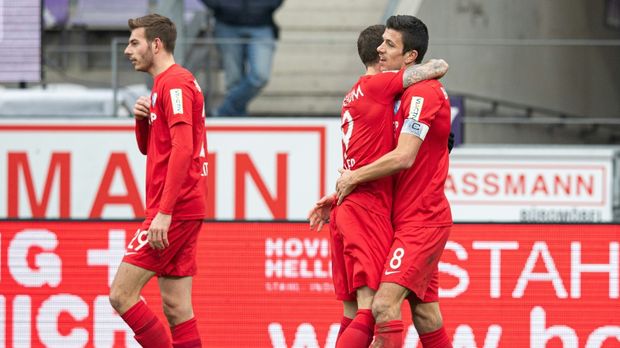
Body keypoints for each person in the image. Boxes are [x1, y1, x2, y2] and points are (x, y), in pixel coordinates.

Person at [308, 23, 448, 347]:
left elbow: (403, 156)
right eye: (381, 43)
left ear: (410, 55)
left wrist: (350, 180)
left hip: (418, 219)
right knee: (422, 315)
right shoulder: (391, 93)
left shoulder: (418, 92)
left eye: (389, 44)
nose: (381, 50)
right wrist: (347, 185)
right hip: (382, 212)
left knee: (378, 307)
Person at [109, 14, 208, 348]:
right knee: (177, 308)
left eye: (134, 43)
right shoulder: (164, 86)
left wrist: (164, 212)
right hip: (183, 205)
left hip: (174, 208)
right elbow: (151, 149)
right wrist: (143, 122)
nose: (127, 50)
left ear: (156, 44)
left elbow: (183, 149)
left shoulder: (175, 83)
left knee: (121, 295)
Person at [202, 0, 284, 116]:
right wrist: (221, 5)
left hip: (262, 23)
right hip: (227, 24)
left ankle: (223, 112)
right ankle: (236, 123)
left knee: (260, 76)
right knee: (233, 81)